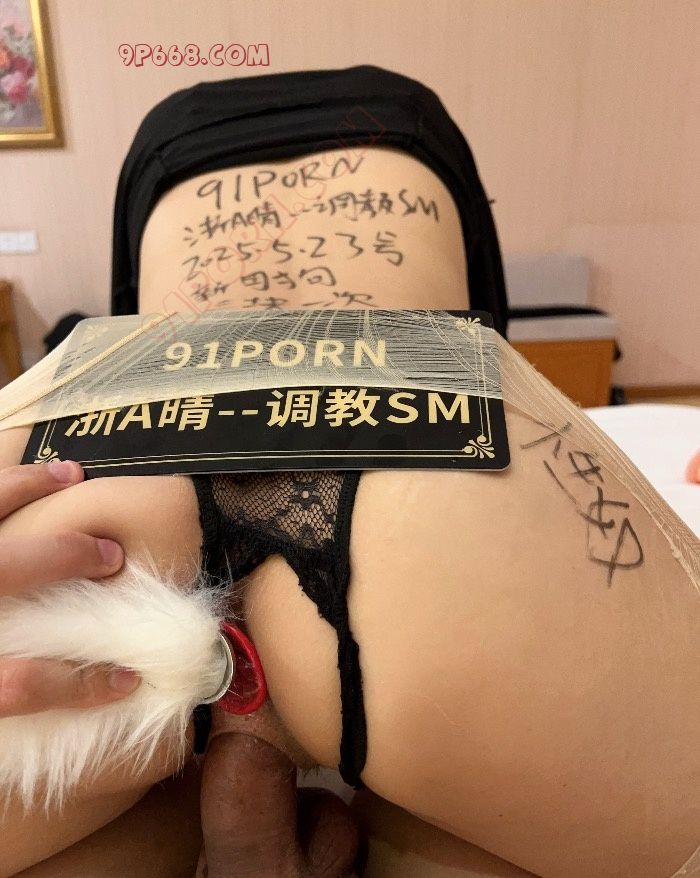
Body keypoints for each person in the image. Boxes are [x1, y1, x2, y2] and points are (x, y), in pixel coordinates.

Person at [0, 67, 697, 878]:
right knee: (472, 821)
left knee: (89, 829)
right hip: (421, 448)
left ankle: (185, 809)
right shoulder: (417, 113)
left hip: (109, 472)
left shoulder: (152, 155)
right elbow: (484, 332)